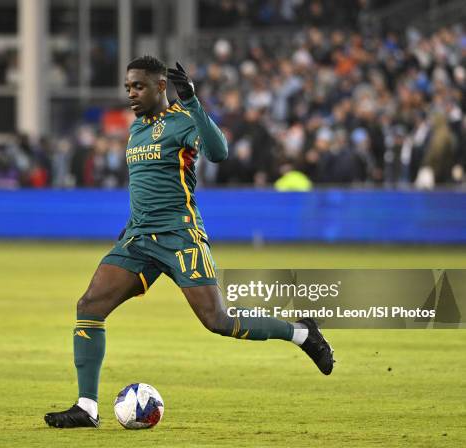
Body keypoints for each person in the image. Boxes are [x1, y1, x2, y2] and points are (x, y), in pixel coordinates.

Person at [44, 56, 335, 429]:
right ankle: (87, 407)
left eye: (139, 86)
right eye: (128, 87)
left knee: (217, 320)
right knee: (89, 305)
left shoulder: (183, 121)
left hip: (180, 236)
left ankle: (301, 333)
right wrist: (128, 231)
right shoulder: (136, 130)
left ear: (161, 86)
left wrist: (194, 102)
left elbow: (219, 153)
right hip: (138, 238)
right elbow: (144, 189)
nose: (132, 93)